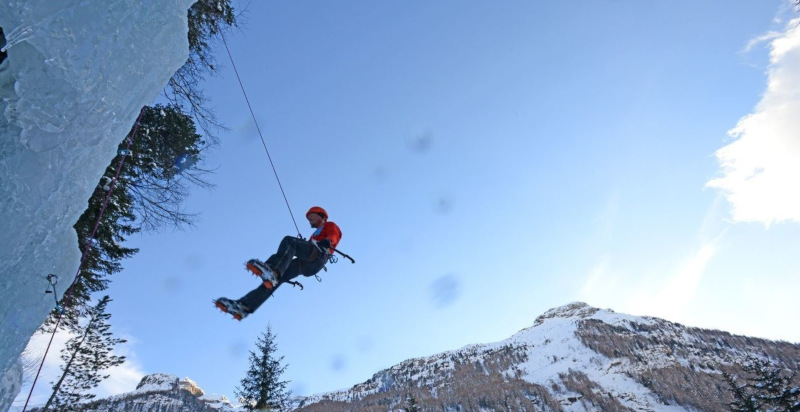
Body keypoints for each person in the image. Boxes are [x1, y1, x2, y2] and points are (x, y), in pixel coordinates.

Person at [215, 206, 342, 320]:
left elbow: (334, 235)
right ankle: (244, 306)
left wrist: (328, 241)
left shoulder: (330, 225)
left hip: (318, 255)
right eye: (309, 219)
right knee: (278, 278)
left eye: (312, 216)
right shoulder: (314, 234)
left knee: (290, 241)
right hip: (307, 264)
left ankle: (272, 270)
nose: (310, 220)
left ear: (322, 216)